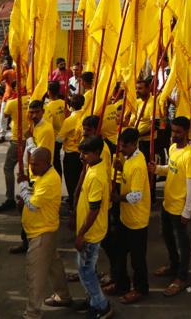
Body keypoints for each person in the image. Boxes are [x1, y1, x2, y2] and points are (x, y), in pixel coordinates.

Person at [17, 146, 72, 317]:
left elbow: (32, 204)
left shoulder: (49, 180)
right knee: (53, 265)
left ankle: (32, 313)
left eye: (36, 165)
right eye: (31, 164)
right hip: (44, 229)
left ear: (47, 163)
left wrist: (23, 186)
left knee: (36, 275)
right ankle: (63, 295)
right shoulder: (44, 175)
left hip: (42, 233)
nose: (32, 168)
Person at [148, 115, 191, 297]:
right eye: (173, 131)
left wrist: (188, 210)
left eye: (178, 132)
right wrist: (158, 169)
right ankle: (173, 264)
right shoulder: (173, 148)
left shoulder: (189, 156)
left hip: (179, 208)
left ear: (186, 132)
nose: (174, 135)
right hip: (167, 204)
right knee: (167, 236)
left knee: (182, 243)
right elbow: (171, 168)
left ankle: (182, 276)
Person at [105, 127, 150, 304]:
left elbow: (136, 195)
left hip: (137, 220)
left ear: (133, 145)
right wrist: (121, 167)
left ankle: (140, 288)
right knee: (119, 253)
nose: (120, 149)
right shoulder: (129, 159)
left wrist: (118, 198)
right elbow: (128, 176)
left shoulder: (139, 164)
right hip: (126, 218)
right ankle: (122, 284)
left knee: (137, 259)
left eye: (123, 146)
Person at [73, 136, 112, 319]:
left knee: (86, 271)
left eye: (86, 153)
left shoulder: (96, 176)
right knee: (87, 269)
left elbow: (94, 210)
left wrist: (81, 234)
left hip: (91, 233)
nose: (82, 156)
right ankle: (92, 300)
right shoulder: (93, 166)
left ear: (97, 153)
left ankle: (102, 306)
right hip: (89, 230)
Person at [0, 92, 30, 212]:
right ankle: (26, 194)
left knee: (8, 168)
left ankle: (10, 199)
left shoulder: (12, 103)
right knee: (27, 168)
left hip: (18, 139)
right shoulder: (31, 98)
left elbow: (4, 115)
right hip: (30, 138)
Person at [58, 94, 86, 209]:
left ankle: (73, 205)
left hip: (71, 155)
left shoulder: (69, 120)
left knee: (71, 182)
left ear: (70, 106)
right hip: (84, 154)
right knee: (81, 180)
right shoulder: (86, 115)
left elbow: (60, 138)